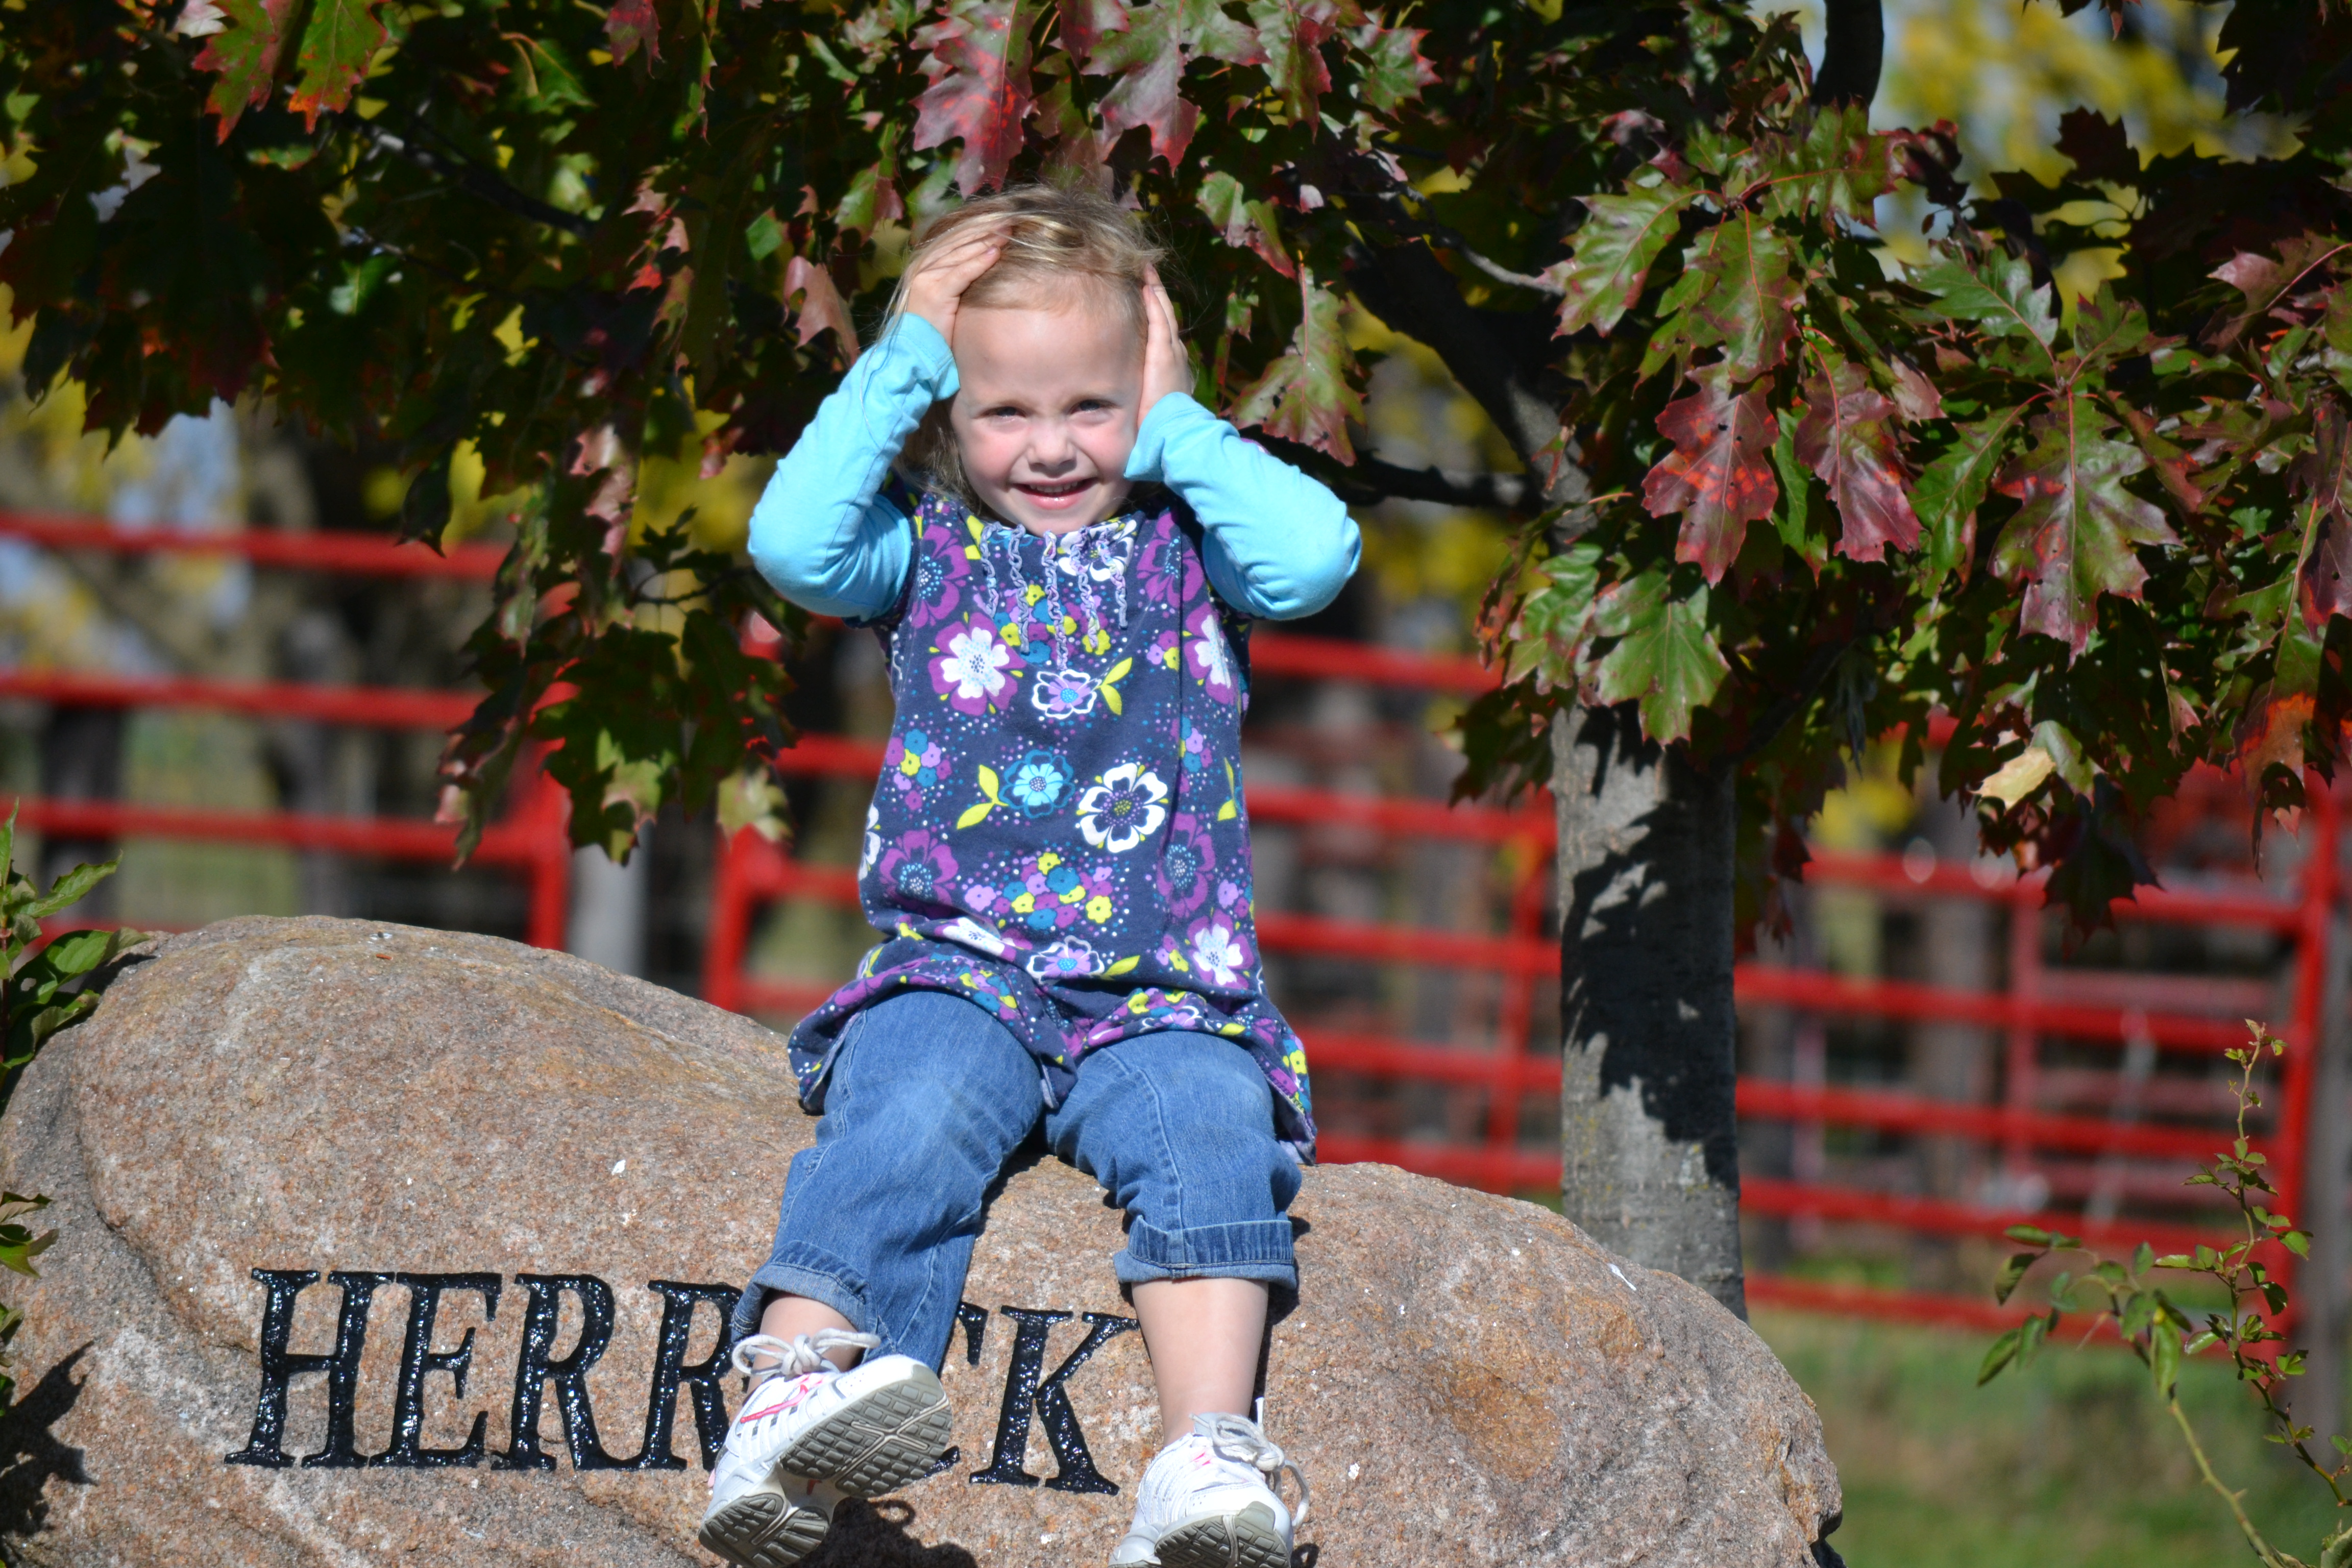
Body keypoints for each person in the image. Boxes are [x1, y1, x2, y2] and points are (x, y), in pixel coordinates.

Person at [699, 183, 1357, 1568]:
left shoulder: (1193, 553)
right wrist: (908, 347)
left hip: (1165, 996)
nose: (1051, 447)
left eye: (1093, 406)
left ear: (1147, 390)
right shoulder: (923, 551)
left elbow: (1316, 558)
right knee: (908, 1110)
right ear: (950, 411)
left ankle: (1204, 1460)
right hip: (961, 971)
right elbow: (792, 544)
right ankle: (793, 1391)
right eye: (1003, 409)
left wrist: (1179, 422)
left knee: (1213, 1140)